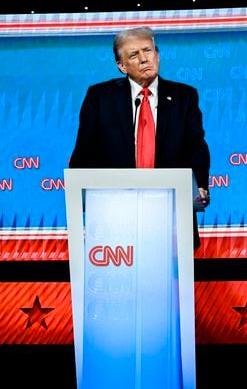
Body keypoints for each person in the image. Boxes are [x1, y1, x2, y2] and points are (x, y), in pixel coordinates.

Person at [69, 26, 210, 247]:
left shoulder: (185, 96)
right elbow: (84, 152)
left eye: (148, 50)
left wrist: (199, 185)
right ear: (121, 66)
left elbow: (196, 146)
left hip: (171, 213)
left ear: (158, 55)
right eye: (134, 55)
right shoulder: (100, 97)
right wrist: (82, 195)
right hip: (115, 215)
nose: (144, 59)